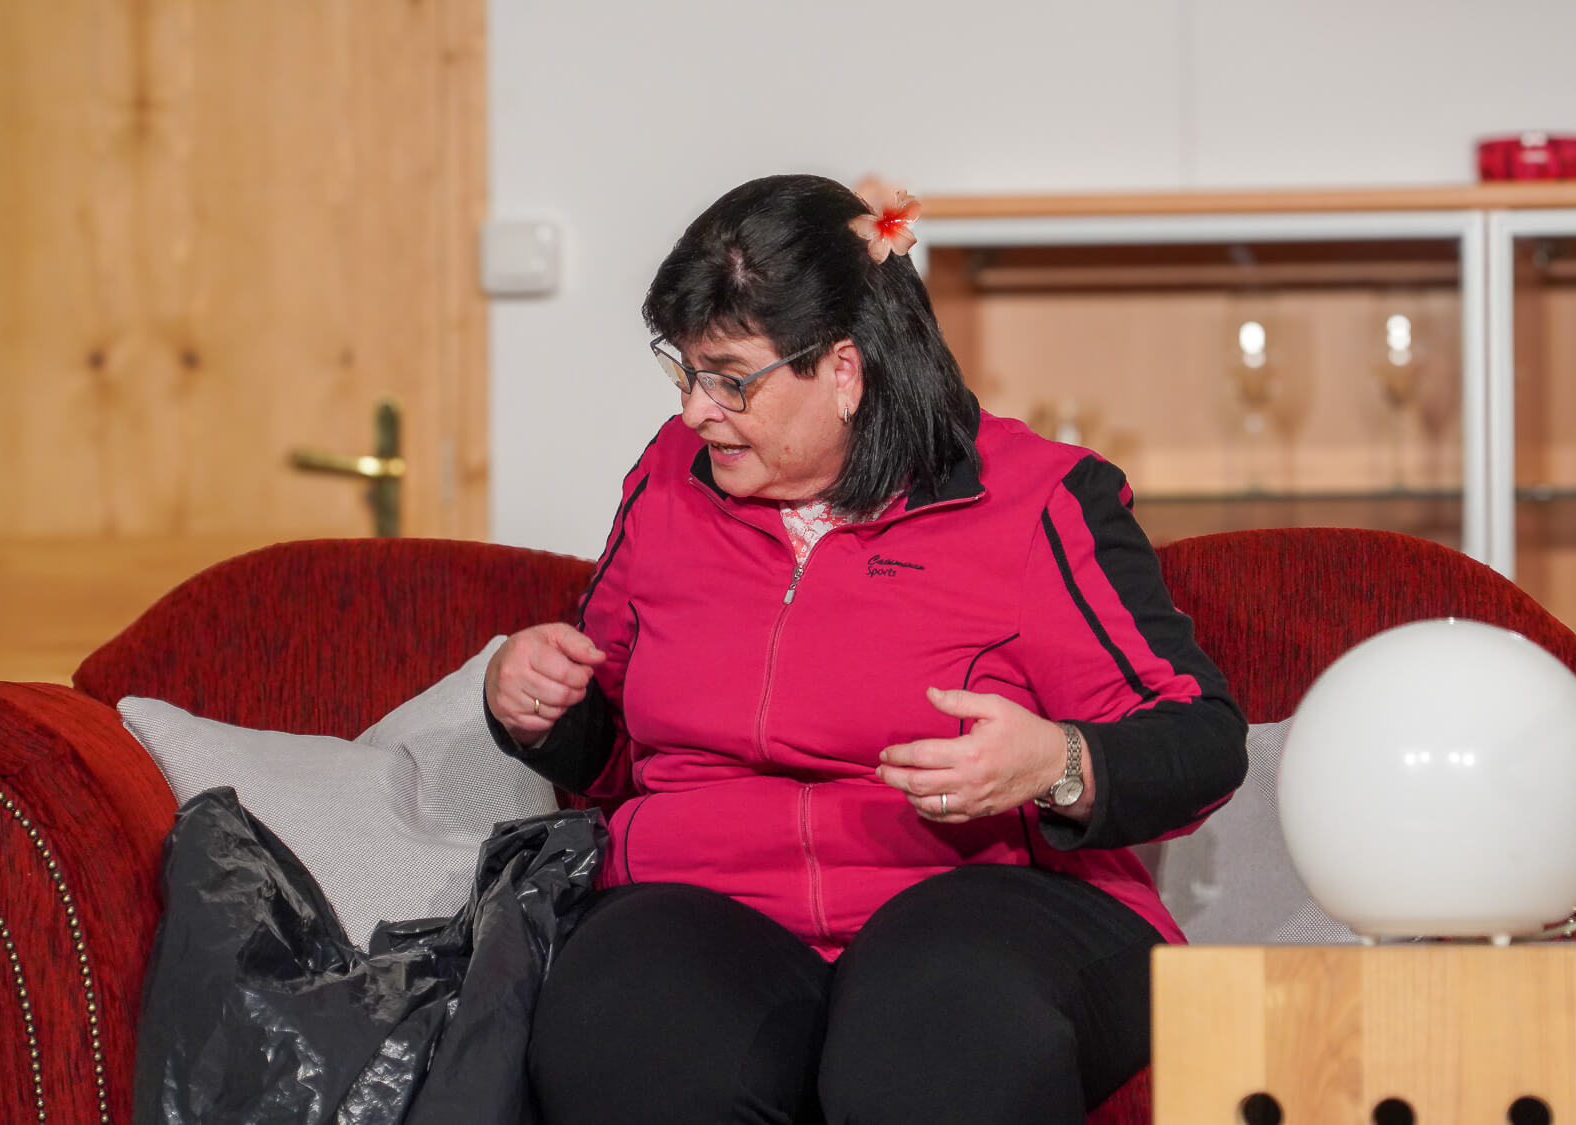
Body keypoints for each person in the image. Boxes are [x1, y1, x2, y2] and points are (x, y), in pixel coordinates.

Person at [483, 173, 1248, 1124]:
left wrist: (1056, 762)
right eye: (684, 371)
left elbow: (1202, 740)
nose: (694, 412)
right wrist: (536, 706)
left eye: (730, 378)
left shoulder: (1041, 499)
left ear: (844, 370)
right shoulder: (667, 481)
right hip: (706, 904)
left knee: (926, 1043)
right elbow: (612, 754)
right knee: (626, 1035)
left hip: (978, 903)